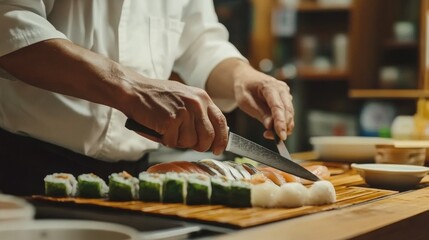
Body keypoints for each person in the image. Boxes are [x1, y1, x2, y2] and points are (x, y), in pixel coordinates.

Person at [0, 0, 294, 195]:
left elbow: (199, 42)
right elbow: (11, 22)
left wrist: (243, 77)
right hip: (25, 172)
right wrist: (132, 87)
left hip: (135, 179)